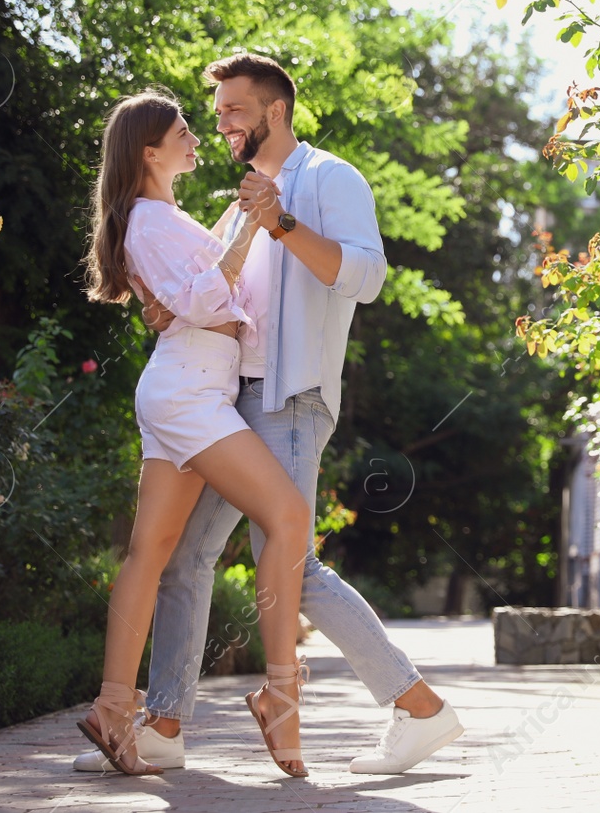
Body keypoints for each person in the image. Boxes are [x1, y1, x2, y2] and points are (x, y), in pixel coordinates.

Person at [74, 53, 463, 776]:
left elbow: (367, 275)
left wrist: (278, 221)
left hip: (287, 397)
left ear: (274, 111)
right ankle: (161, 722)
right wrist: (164, 310)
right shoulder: (233, 201)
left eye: (232, 111)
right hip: (225, 402)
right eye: (213, 113)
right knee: (183, 558)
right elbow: (207, 297)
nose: (219, 124)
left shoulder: (326, 178)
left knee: (294, 564)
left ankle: (418, 707)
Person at [80, 89, 312, 777]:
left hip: (189, 385)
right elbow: (211, 294)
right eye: (182, 129)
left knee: (148, 553)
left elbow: (196, 289)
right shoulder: (148, 221)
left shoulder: (162, 217)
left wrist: (240, 222)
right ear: (149, 151)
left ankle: (114, 708)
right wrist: (252, 222)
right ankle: (279, 692)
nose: (195, 135)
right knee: (288, 513)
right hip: (189, 394)